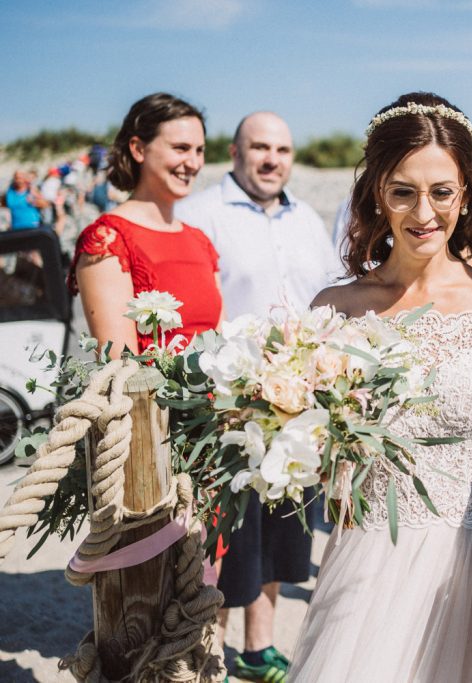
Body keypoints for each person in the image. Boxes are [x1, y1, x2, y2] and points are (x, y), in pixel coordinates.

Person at [289, 91, 472, 683]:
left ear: (465, 194)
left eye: (441, 191)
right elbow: (300, 446)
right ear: (376, 194)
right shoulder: (333, 311)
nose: (424, 213)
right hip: (362, 566)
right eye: (402, 191)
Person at [175, 111, 338, 681]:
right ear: (235, 151)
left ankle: (257, 648)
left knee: (281, 530)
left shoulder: (308, 220)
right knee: (225, 540)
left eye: (282, 149)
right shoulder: (200, 216)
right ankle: (210, 654)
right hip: (228, 406)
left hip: (295, 405)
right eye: (260, 147)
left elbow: (327, 298)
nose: (272, 159)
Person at [69, 92, 221, 357]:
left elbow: (222, 340)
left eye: (200, 150)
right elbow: (119, 368)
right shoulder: (108, 239)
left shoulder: (199, 240)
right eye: (181, 148)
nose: (194, 163)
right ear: (138, 149)